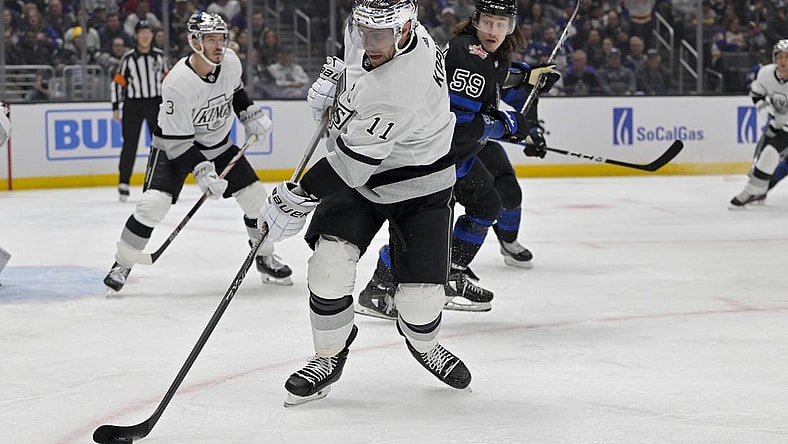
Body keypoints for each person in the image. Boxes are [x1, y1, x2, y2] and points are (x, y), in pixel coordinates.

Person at [257, 0, 471, 406]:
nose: (369, 42)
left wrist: (298, 194)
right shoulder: (375, 31)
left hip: (418, 187)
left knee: (420, 305)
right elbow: (356, 84)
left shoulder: (401, 86)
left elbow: (350, 165)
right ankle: (328, 356)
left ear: (406, 30)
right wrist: (337, 93)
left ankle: (424, 342)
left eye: (381, 34)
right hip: (364, 177)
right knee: (327, 267)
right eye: (364, 31)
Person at [355, 0, 558, 320]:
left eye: (500, 24)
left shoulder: (486, 55)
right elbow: (459, 124)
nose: (493, 31)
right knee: (424, 224)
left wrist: (526, 78)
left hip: (451, 153)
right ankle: (380, 288)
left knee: (486, 204)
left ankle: (448, 272)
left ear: (511, 27)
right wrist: (504, 125)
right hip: (434, 154)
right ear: (476, 21)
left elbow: (493, 80)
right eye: (488, 22)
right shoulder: (468, 55)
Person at [103, 12, 293, 293]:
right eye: (211, 39)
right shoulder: (177, 83)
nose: (219, 45)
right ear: (195, 42)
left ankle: (263, 256)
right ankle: (123, 263)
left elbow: (235, 91)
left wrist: (249, 114)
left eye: (221, 38)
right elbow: (179, 143)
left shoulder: (229, 62)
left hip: (219, 145)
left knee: (256, 199)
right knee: (153, 204)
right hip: (173, 148)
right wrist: (203, 172)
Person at [110, 20, 169, 202]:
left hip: (155, 103)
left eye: (148, 32)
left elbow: (170, 82)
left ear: (152, 36)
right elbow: (118, 82)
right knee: (130, 144)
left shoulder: (160, 57)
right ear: (136, 36)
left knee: (160, 145)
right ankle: (124, 182)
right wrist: (115, 107)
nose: (145, 36)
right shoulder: (128, 58)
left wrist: (170, 105)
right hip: (133, 104)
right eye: (141, 32)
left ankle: (163, 181)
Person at [730, 39, 788, 208]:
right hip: (779, 126)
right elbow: (757, 93)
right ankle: (756, 189)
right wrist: (766, 112)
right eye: (779, 56)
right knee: (767, 155)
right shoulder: (766, 74)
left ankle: (756, 189)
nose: (783, 61)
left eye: (787, 57)